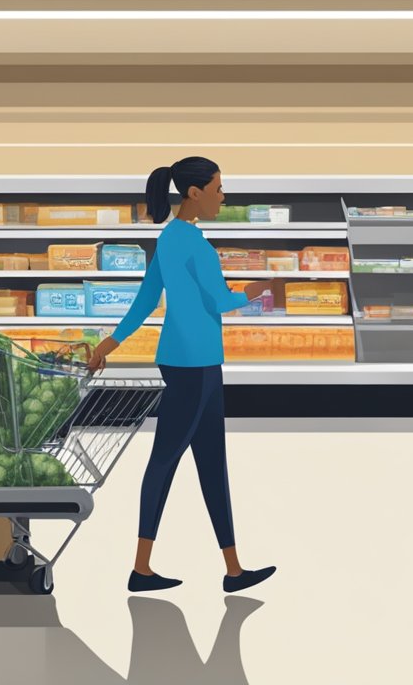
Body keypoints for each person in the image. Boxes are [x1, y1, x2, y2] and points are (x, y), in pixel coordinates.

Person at [87, 156, 277, 594]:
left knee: (208, 465)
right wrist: (256, 289)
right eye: (218, 189)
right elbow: (220, 302)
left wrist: (106, 346)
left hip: (191, 361)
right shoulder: (192, 243)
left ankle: (233, 570)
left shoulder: (170, 238)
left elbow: (145, 301)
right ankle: (141, 568)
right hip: (195, 365)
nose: (222, 197)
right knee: (169, 463)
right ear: (195, 193)